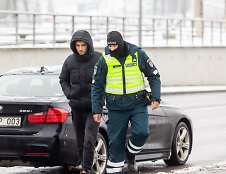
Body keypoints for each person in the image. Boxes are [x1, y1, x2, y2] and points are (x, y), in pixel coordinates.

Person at [91, 31, 161, 174]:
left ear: (121, 44)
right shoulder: (105, 59)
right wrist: (96, 109)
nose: (112, 49)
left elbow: (154, 75)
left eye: (115, 46)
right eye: (109, 46)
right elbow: (97, 85)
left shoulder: (137, 54)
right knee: (115, 144)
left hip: (137, 104)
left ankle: (130, 154)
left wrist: (155, 97)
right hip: (115, 107)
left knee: (142, 133)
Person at [59, 30, 102, 174]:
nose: (80, 48)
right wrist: (69, 93)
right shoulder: (70, 60)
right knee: (79, 141)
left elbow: (107, 79)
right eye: (77, 45)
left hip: (93, 107)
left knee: (89, 139)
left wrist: (103, 99)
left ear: (89, 45)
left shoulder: (99, 58)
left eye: (83, 45)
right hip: (76, 107)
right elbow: (63, 79)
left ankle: (87, 169)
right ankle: (85, 166)